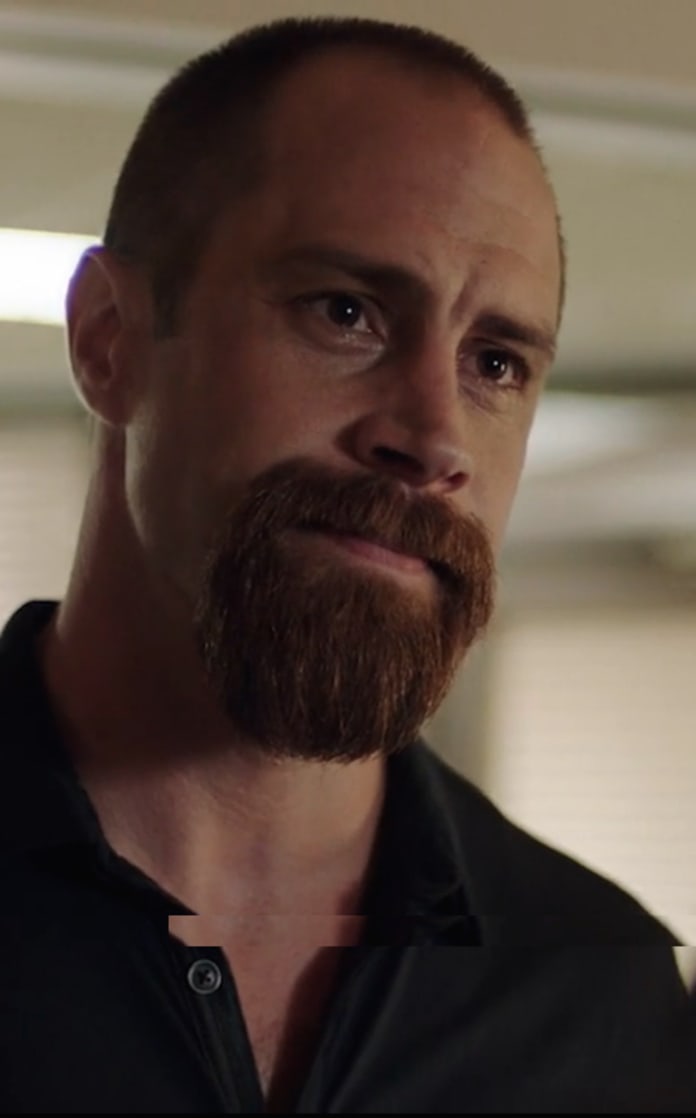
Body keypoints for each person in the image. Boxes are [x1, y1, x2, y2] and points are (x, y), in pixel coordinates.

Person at [0, 16, 693, 1115]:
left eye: (495, 363)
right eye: (346, 312)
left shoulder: (602, 996)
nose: (435, 437)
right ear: (107, 339)